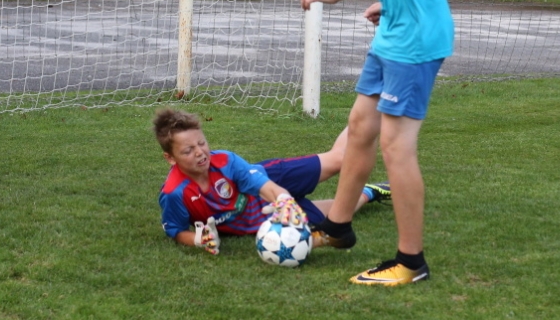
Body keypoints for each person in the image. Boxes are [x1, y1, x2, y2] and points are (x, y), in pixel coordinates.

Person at [299, 0, 454, 286]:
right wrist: (391, 0)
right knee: (360, 126)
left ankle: (410, 262)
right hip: (396, 31)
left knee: (396, 146)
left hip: (415, 41)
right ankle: (338, 227)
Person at [154, 107, 388, 255]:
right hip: (261, 218)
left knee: (339, 159)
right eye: (188, 151)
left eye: (202, 143)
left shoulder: (226, 161)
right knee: (335, 213)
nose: (200, 153)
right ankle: (370, 192)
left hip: (274, 178)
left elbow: (263, 185)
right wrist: (199, 240)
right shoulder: (175, 193)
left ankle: (370, 109)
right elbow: (175, 229)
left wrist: (283, 199)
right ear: (170, 158)